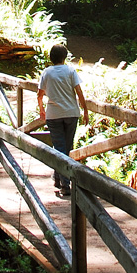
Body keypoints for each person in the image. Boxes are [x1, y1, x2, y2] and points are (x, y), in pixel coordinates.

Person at [36, 43, 89, 198]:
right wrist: (85, 110)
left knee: (60, 147)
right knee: (65, 147)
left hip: (54, 115)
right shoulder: (71, 70)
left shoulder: (47, 72)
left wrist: (41, 109)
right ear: (65, 57)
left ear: (51, 57)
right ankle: (64, 183)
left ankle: (60, 179)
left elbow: (40, 94)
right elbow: (79, 92)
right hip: (71, 113)